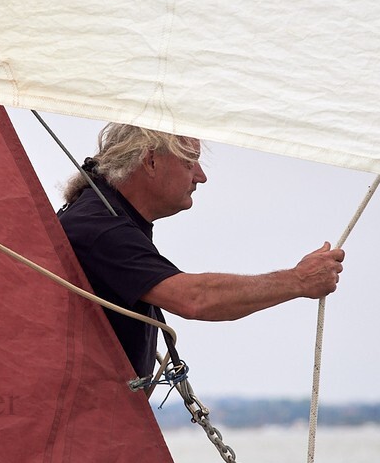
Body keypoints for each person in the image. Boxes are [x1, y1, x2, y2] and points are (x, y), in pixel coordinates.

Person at [57, 123, 344, 379]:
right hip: (82, 427)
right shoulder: (98, 227)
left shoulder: (102, 215)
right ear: (151, 161)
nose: (201, 176)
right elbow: (195, 299)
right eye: (190, 161)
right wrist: (298, 280)